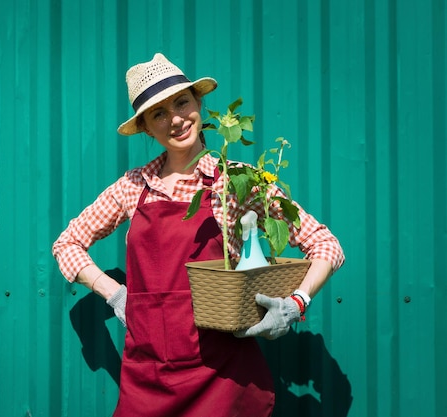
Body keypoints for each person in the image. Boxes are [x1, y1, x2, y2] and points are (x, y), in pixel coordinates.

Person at [52, 53, 345, 417]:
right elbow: (67, 243)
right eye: (159, 113)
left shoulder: (237, 179)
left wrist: (295, 303)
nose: (175, 119)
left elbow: (326, 245)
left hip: (222, 381)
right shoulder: (132, 187)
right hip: (149, 378)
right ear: (145, 127)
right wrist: (115, 295)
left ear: (199, 102)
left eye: (182, 102)